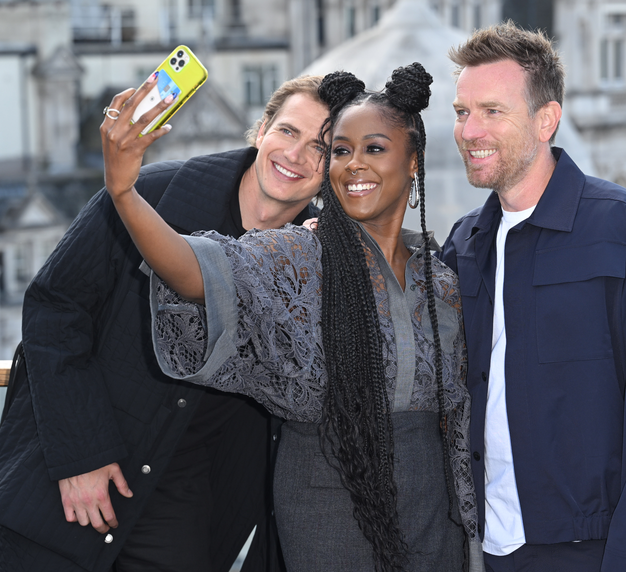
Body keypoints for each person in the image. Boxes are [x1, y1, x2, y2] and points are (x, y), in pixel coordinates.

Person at [102, 63, 481, 572]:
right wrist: (124, 192)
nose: (353, 165)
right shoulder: (297, 256)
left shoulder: (442, 278)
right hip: (327, 506)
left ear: (413, 161)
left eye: (374, 148)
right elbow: (199, 271)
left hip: (432, 510)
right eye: (341, 151)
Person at [0, 73, 327, 572]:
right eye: (288, 132)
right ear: (261, 130)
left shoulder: (318, 253)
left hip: (186, 506)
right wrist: (80, 455)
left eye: (322, 148)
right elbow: (54, 306)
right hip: (68, 481)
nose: (297, 156)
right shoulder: (150, 190)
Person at [440, 22, 626, 572]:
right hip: (481, 550)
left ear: (546, 120)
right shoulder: (465, 243)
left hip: (588, 553)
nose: (469, 130)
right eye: (462, 112)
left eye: (491, 111)